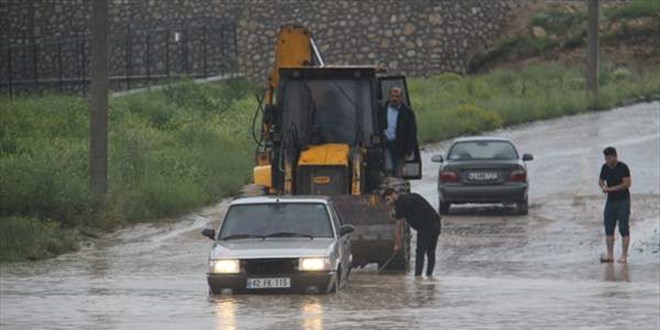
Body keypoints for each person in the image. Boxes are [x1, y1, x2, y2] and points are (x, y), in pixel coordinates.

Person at [383, 188, 441, 276]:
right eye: (386, 201)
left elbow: (399, 228)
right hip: (436, 223)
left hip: (426, 227)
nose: (388, 203)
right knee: (430, 251)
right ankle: (429, 276)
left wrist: (398, 245)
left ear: (394, 195)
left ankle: (418, 277)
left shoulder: (400, 205)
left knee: (420, 252)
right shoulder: (410, 197)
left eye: (388, 199)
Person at [598, 146, 632, 264]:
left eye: (609, 157)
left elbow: (627, 183)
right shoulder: (605, 167)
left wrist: (611, 189)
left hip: (623, 201)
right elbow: (601, 180)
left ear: (615, 156)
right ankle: (610, 255)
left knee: (623, 227)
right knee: (608, 227)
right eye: (606, 158)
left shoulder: (623, 167)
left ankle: (623, 256)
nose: (607, 160)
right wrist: (603, 187)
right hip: (610, 202)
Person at [379, 87, 418, 177]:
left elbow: (412, 132)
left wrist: (409, 150)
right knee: (388, 168)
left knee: (398, 172)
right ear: (389, 96)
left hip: (400, 146)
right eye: (393, 96)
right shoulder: (382, 109)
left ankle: (396, 188)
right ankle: (389, 187)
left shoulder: (407, 112)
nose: (394, 99)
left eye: (397, 96)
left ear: (401, 97)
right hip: (386, 144)